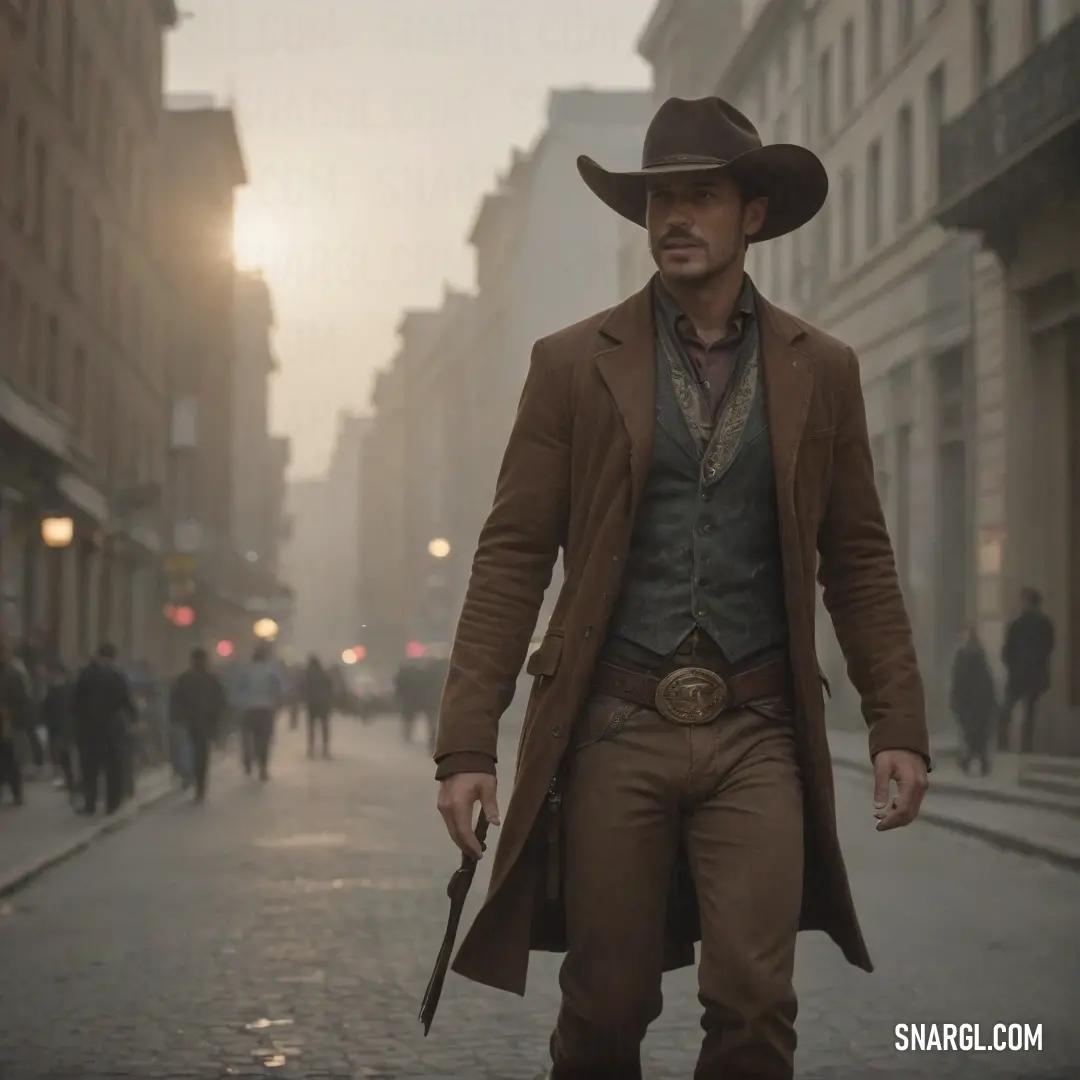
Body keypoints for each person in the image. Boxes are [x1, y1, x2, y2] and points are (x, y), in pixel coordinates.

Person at [429, 97, 930, 1080]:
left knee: (754, 1001)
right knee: (607, 1006)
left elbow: (859, 556)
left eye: (699, 198)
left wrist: (898, 724)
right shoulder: (573, 364)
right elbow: (512, 556)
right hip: (616, 723)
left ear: (753, 214)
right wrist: (465, 742)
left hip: (760, 730)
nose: (673, 220)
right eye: (659, 200)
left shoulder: (821, 369)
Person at [72, 643, 135, 816]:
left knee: (90, 767)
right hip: (112, 726)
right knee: (112, 766)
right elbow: (126, 699)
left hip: (89, 727)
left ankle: (90, 804)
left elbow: (77, 699)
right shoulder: (117, 674)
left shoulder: (87, 672)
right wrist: (134, 718)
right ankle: (112, 803)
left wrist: (78, 721)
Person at [999, 587, 1055, 754]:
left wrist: (1013, 664)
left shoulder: (1018, 624)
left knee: (1008, 712)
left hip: (1020, 675)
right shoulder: (1045, 624)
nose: (1021, 604)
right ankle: (1024, 748)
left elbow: (1007, 651)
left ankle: (1004, 746)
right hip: (1032, 675)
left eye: (1024, 601)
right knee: (1027, 714)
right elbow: (1048, 648)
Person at [169, 647, 228, 802]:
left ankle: (194, 782)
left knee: (193, 754)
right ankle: (198, 785)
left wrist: (176, 717)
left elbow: (175, 700)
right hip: (201, 722)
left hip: (191, 722)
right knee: (199, 755)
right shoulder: (211, 679)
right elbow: (221, 701)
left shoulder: (185, 678)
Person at [230, 642, 285, 781]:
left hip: (248, 709)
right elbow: (279, 689)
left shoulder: (245, 671)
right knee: (264, 739)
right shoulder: (271, 672)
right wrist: (277, 703)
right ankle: (263, 768)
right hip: (266, 709)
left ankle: (248, 760)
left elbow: (237, 690)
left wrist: (237, 704)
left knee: (248, 737)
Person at [949, 627, 998, 776]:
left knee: (972, 732)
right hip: (974, 702)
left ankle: (972, 759)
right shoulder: (975, 657)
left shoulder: (966, 658)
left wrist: (955, 700)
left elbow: (959, 682)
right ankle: (977, 760)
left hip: (971, 702)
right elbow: (986, 682)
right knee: (975, 732)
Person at [0, 635, 31, 806]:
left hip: (9, 724)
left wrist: (13, 719)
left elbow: (22, 700)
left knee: (11, 761)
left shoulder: (12, 674)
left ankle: (17, 792)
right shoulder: (11, 673)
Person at [41, 662, 77, 796]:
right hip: (58, 727)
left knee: (67, 754)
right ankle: (69, 780)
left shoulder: (68, 689)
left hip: (65, 726)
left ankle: (71, 780)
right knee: (63, 755)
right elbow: (46, 708)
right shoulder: (54, 689)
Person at [302, 655, 335, 759]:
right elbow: (330, 688)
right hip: (324, 704)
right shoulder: (324, 675)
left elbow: (303, 689)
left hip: (312, 704)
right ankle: (325, 750)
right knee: (324, 727)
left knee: (311, 728)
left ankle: (311, 749)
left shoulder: (308, 676)